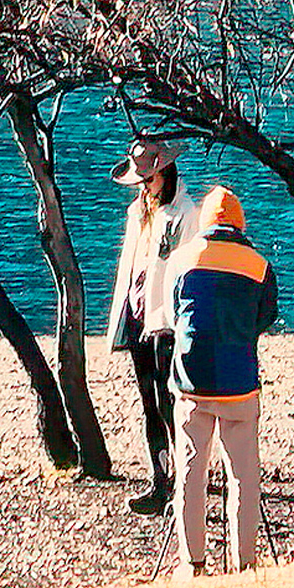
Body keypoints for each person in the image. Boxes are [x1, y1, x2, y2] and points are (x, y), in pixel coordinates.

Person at [163, 185, 279, 576]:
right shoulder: (259, 266)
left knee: (191, 474)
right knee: (244, 477)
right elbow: (264, 319)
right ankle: (244, 564)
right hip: (239, 381)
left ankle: (193, 563)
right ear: (239, 225)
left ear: (204, 224)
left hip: (191, 380)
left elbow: (173, 316)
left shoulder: (181, 260)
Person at [107, 136, 194, 515]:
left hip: (166, 321)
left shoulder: (184, 214)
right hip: (138, 314)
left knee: (168, 402)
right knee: (149, 403)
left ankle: (184, 483)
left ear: (165, 173)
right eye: (141, 181)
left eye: (148, 179)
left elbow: (185, 271)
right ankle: (161, 479)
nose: (144, 186)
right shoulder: (138, 212)